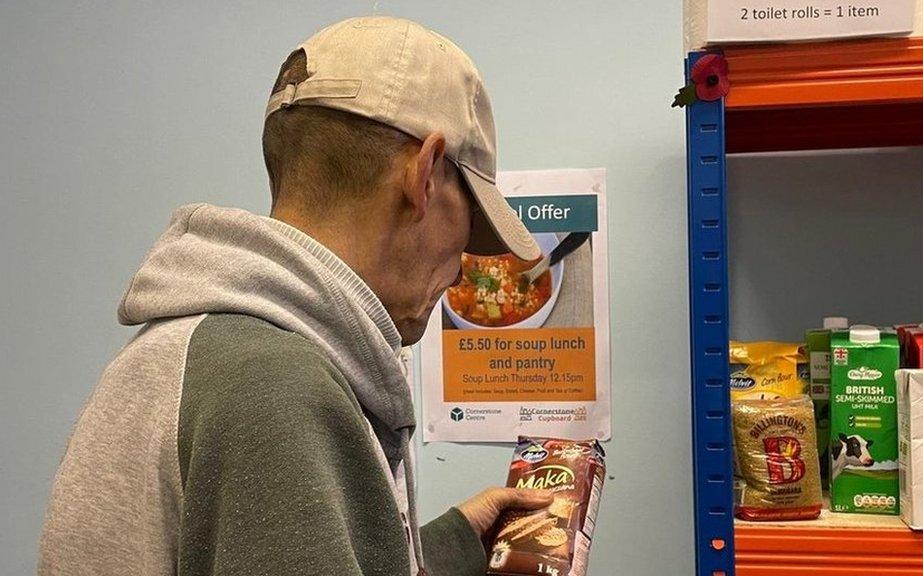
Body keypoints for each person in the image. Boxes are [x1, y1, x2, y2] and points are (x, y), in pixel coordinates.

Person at [39, 16, 552, 576]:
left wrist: (454, 542)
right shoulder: (277, 389)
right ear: (425, 175)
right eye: (469, 226)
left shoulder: (193, 352)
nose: (458, 271)